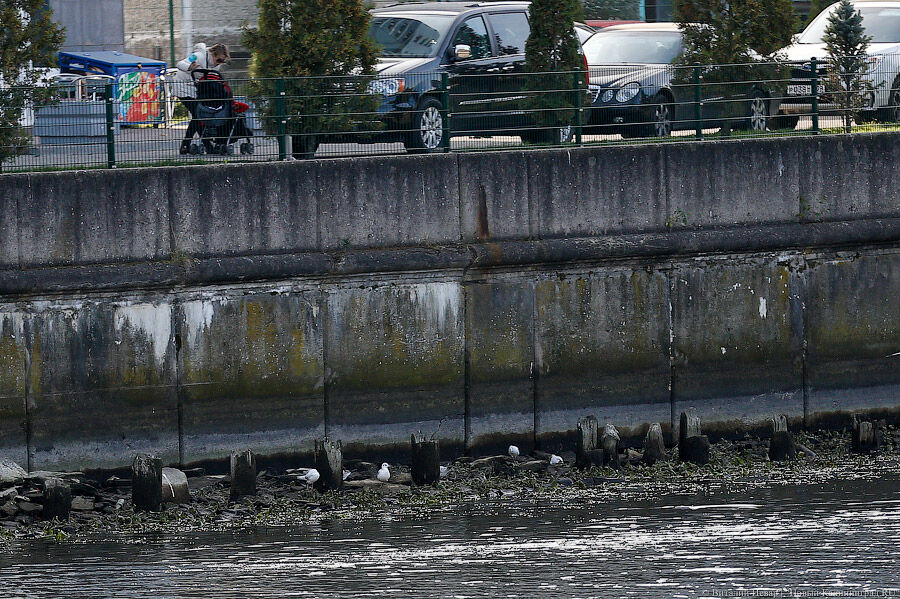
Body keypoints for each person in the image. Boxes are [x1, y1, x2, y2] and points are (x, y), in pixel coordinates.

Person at [173, 42, 231, 154]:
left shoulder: (216, 65)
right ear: (213, 54)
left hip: (196, 90)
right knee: (198, 115)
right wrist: (189, 67)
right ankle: (204, 145)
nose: (219, 63)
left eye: (222, 61)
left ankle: (188, 145)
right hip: (182, 87)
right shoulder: (198, 56)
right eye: (219, 60)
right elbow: (180, 64)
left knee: (198, 116)